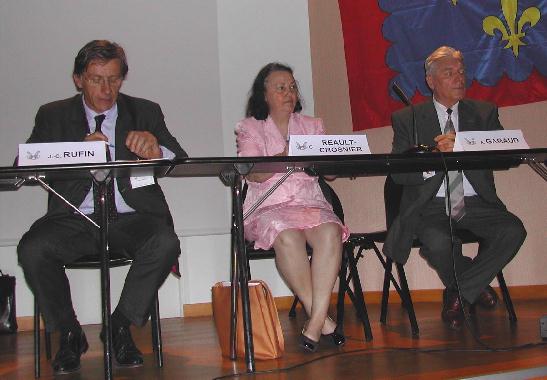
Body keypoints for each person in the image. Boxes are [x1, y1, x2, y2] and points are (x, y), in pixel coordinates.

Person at [17, 40, 187, 374]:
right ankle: (68, 333)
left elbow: (178, 157)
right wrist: (74, 153)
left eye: (114, 79)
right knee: (33, 249)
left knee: (165, 242)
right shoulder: (52, 115)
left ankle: (119, 326)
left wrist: (157, 152)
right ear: (78, 79)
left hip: (132, 216)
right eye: (96, 79)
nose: (106, 89)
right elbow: (24, 166)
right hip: (74, 217)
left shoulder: (145, 111)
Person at [383, 46, 526, 330]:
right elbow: (399, 174)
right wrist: (432, 160)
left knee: (513, 230)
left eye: (461, 72)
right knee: (438, 243)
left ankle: (458, 291)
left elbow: (507, 154)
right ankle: (473, 284)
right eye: (449, 73)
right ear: (430, 81)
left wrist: (460, 145)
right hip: (430, 206)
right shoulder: (407, 118)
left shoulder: (484, 113)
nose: (459, 78)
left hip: (476, 203)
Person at [235, 62, 350, 352]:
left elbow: (331, 174)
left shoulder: (313, 126)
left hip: (310, 202)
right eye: (281, 87)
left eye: (293, 87)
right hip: (269, 206)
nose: (289, 93)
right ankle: (323, 320)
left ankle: (314, 322)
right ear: (264, 95)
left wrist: (329, 157)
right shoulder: (250, 128)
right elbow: (253, 173)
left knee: (330, 232)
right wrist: (286, 154)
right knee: (287, 236)